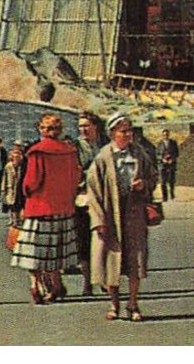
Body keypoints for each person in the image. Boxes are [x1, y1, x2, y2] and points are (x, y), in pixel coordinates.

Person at [88, 113, 158, 322]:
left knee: (135, 260)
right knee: (111, 261)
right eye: (123, 131)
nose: (128, 135)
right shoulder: (102, 158)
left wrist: (144, 184)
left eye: (130, 130)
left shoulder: (139, 154)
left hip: (134, 214)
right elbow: (93, 191)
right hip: (111, 215)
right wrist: (98, 220)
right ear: (112, 133)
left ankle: (133, 304)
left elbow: (153, 176)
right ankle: (114, 303)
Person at [11, 113, 82, 304]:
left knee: (33, 251)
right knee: (57, 250)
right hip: (63, 208)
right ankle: (57, 284)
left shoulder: (37, 152)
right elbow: (76, 177)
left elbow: (31, 182)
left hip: (39, 207)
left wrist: (24, 196)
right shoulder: (70, 151)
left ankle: (35, 284)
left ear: (42, 129)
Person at [74, 111, 106, 295]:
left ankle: (103, 278)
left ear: (95, 127)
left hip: (103, 198)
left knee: (104, 240)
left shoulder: (105, 146)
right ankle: (87, 281)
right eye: (81, 126)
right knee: (84, 241)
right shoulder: (75, 147)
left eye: (86, 125)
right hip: (82, 199)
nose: (83, 129)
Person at [157, 128, 179, 201]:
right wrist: (162, 159)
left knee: (171, 180)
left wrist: (172, 159)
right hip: (162, 165)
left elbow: (177, 153)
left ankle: (172, 195)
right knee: (163, 181)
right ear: (162, 136)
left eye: (166, 135)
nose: (165, 136)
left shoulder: (173, 143)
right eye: (164, 135)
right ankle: (164, 197)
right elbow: (157, 154)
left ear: (168, 135)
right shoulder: (159, 144)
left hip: (171, 164)